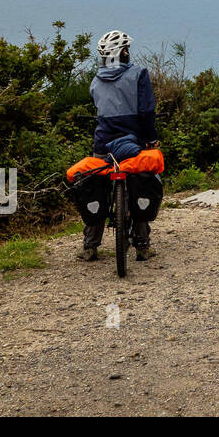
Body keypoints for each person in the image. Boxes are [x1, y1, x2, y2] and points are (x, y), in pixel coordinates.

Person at [79, 29, 161, 262]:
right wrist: (151, 139)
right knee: (141, 182)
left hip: (104, 143)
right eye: (127, 49)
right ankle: (143, 246)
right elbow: (146, 110)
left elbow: (99, 107)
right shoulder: (138, 74)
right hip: (133, 142)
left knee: (97, 185)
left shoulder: (96, 80)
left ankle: (90, 246)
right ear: (123, 52)